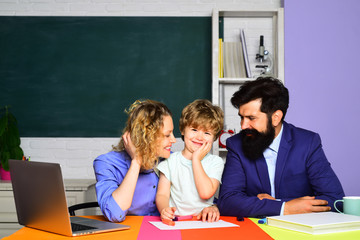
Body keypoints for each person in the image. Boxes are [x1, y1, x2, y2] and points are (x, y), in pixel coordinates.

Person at [217, 77, 345, 218]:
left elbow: (336, 200)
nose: (243, 125)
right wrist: (284, 207)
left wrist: (281, 204)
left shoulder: (308, 143)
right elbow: (227, 202)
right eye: (241, 117)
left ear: (276, 118)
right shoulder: (236, 144)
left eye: (251, 118)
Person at [93, 99, 176, 222]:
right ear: (148, 137)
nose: (174, 140)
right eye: (167, 135)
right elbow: (114, 214)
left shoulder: (173, 160)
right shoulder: (106, 163)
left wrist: (211, 207)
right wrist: (136, 161)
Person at [156, 99, 225, 223]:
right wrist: (164, 209)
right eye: (194, 130)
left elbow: (206, 193)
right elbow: (162, 194)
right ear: (182, 130)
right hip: (176, 221)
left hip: (203, 222)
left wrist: (196, 160)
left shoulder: (216, 162)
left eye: (207, 133)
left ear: (214, 137)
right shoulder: (170, 161)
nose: (199, 137)